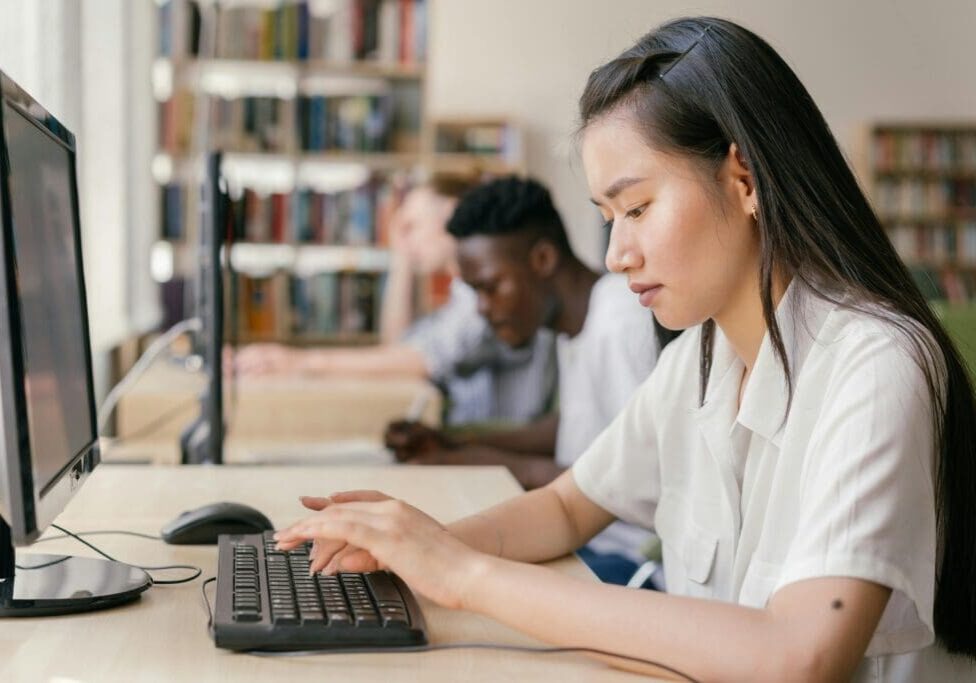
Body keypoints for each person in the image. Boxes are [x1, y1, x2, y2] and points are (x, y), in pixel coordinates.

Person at [274, 17, 976, 681]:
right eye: (608, 218)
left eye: (637, 208)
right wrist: (420, 546)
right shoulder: (699, 358)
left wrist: (464, 575)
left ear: (745, 178)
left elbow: (799, 656)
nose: (616, 253)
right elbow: (567, 508)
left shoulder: (877, 366)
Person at [384, 176, 668, 585]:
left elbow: (630, 483)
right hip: (590, 541)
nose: (483, 308)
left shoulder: (620, 323)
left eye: (490, 287)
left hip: (631, 560)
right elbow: (577, 430)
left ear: (542, 260)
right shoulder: (573, 325)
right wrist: (456, 442)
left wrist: (470, 459)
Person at [232, 175, 557, 426]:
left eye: (412, 225)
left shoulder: (486, 296)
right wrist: (402, 257)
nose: (404, 236)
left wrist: (299, 362)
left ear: (453, 213)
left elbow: (419, 361)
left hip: (495, 443)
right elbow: (399, 347)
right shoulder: (461, 296)